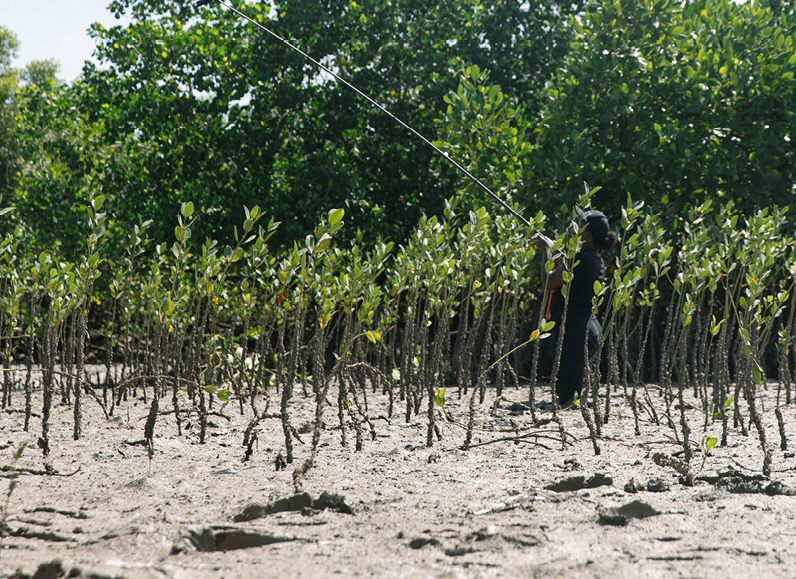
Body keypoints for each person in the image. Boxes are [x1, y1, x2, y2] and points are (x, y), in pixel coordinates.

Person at [535, 209, 618, 406]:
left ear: (586, 234)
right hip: (585, 328)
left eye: (577, 222)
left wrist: (545, 253)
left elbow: (548, 282)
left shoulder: (581, 260)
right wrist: (554, 252)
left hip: (577, 332)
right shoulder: (589, 258)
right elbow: (560, 274)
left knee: (567, 399)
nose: (571, 224)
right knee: (570, 394)